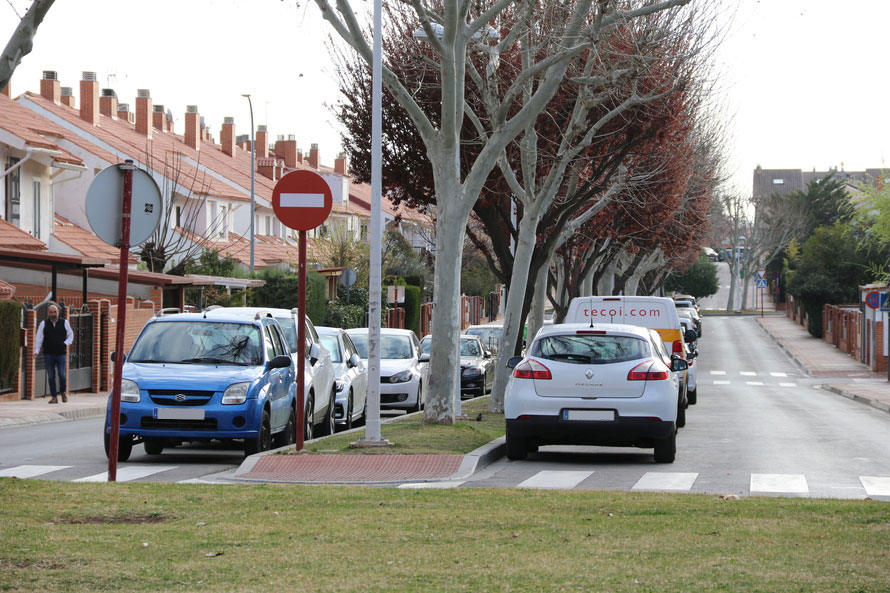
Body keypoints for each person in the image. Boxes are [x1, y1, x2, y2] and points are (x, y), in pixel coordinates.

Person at [34, 303, 74, 404]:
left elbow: (70, 335)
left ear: (58, 312)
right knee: (51, 376)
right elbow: (39, 338)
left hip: (61, 353)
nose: (53, 314)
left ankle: (63, 392)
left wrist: (65, 343)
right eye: (51, 312)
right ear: (48, 313)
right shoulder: (44, 323)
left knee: (62, 374)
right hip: (48, 353)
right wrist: (36, 351)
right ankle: (54, 397)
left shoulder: (65, 322)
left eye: (55, 312)